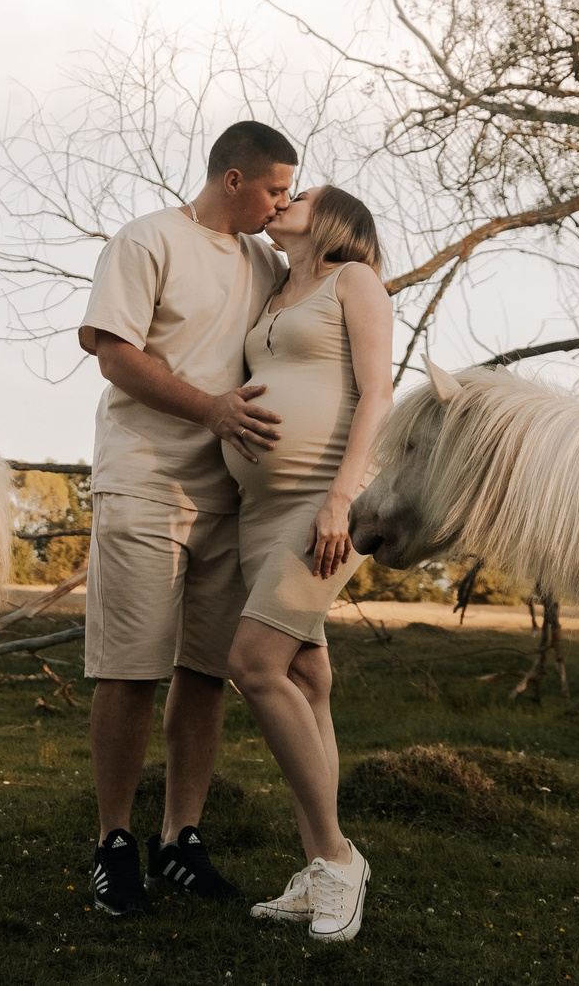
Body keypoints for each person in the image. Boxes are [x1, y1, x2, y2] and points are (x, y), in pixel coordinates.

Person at [74, 120, 297, 917]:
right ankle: (113, 844)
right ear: (233, 179)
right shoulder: (146, 240)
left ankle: (181, 839)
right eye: (276, 188)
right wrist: (212, 408)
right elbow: (115, 355)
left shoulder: (268, 261)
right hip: (144, 480)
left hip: (230, 497)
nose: (284, 202)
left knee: (206, 673)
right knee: (131, 669)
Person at [224, 184, 392, 943]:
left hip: (322, 500)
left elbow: (379, 388)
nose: (286, 197)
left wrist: (340, 498)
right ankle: (317, 866)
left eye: (304, 192)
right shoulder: (277, 285)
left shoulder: (353, 279)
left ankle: (337, 856)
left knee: (254, 664)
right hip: (260, 511)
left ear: (336, 217)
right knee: (303, 677)